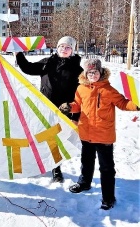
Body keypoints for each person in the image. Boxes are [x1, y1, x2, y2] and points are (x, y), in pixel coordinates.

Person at [59, 58, 139, 210]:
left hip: (104, 135)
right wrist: (69, 107)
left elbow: (122, 103)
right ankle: (84, 183)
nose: (92, 75)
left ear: (101, 72)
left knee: (107, 168)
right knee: (86, 161)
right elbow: (78, 105)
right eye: (89, 72)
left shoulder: (108, 90)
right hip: (86, 132)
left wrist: (136, 105)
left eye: (95, 72)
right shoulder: (81, 89)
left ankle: (108, 197)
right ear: (85, 73)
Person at [16, 36, 83, 182]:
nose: (64, 50)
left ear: (72, 50)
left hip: (64, 110)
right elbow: (28, 68)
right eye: (61, 46)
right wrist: (18, 54)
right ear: (57, 47)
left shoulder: (78, 70)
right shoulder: (47, 63)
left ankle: (56, 168)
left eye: (68, 47)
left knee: (56, 140)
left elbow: (81, 95)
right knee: (40, 136)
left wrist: (75, 116)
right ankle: (36, 164)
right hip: (44, 107)